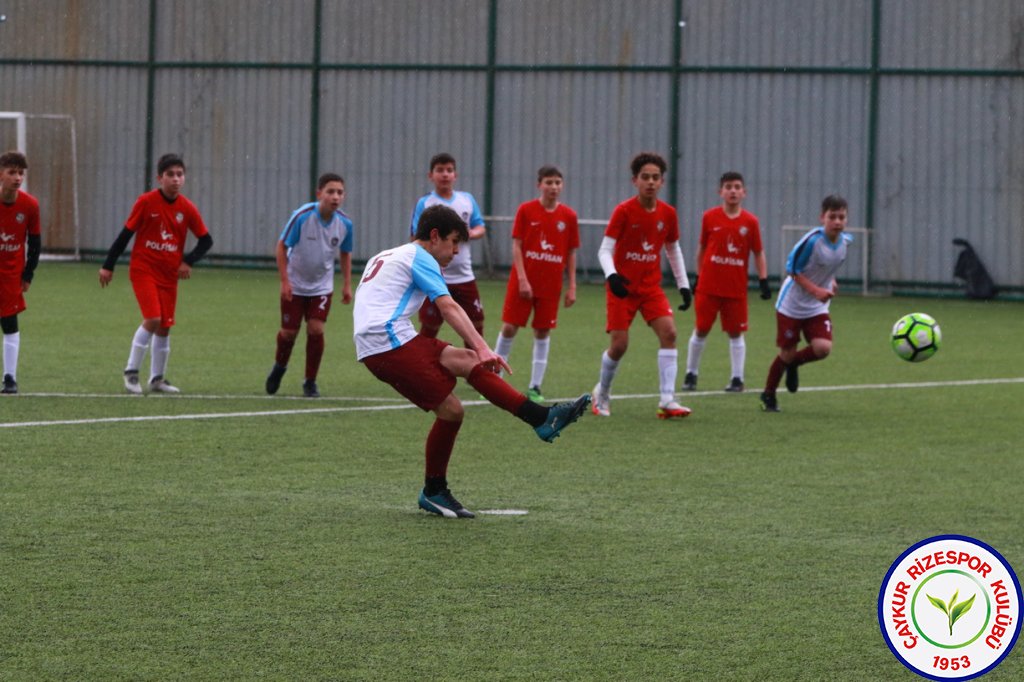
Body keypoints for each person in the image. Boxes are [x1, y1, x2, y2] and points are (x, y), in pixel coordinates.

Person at [354, 204, 590, 519]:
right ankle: (434, 490)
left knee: (465, 360)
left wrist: (475, 352)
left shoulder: (390, 254)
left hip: (387, 337)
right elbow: (448, 307)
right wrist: (483, 347)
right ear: (434, 236)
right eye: (453, 242)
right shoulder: (421, 257)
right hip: (386, 342)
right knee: (452, 410)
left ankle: (542, 418)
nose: (455, 251)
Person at [99, 153, 213, 395]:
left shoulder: (187, 208)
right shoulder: (146, 202)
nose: (175, 179)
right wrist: (108, 265)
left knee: (165, 326)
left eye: (179, 174)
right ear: (159, 178)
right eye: (170, 175)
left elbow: (206, 241)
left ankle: (157, 379)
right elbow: (125, 235)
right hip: (144, 271)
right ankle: (131, 373)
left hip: (168, 275)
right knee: (152, 319)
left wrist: (188, 261)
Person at [592, 152, 693, 420]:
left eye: (655, 177)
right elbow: (604, 250)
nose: (650, 182)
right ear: (635, 181)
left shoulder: (668, 214)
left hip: (650, 288)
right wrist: (612, 276)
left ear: (662, 182)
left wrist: (684, 284)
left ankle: (667, 400)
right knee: (620, 345)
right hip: (622, 287)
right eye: (645, 177)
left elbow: (673, 249)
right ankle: (601, 393)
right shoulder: (624, 211)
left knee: (669, 333)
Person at [493, 165, 579, 402]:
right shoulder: (526, 210)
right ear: (539, 184)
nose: (553, 187)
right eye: (549, 182)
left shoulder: (569, 216)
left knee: (542, 331)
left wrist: (572, 286)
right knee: (510, 327)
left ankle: (535, 387)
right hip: (523, 282)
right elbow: (517, 245)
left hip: (550, 286)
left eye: (557, 183)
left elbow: (571, 252)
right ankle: (494, 381)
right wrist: (522, 278)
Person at [759, 195, 853, 412]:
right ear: (822, 217)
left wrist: (831, 281)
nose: (837, 221)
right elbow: (792, 270)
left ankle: (794, 364)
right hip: (791, 305)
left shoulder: (845, 242)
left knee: (823, 348)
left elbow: (825, 267)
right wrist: (816, 290)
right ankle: (768, 395)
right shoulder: (811, 241)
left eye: (842, 217)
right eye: (833, 217)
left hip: (816, 306)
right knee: (786, 353)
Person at [265, 172, 354, 398]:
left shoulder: (345, 223)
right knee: (288, 333)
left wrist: (346, 284)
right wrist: (285, 281)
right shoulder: (302, 217)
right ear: (319, 194)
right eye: (330, 192)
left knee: (316, 329)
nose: (335, 197)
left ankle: (310, 381)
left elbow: (345, 253)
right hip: (295, 284)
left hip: (322, 287)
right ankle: (279, 367)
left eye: (340, 193)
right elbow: (281, 247)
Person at [683, 171, 770, 393]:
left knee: (735, 333)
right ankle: (691, 374)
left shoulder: (750, 222)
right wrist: (698, 276)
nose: (733, 190)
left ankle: (737, 379)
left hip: (735, 288)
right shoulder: (710, 217)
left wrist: (763, 280)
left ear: (744, 192)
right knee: (701, 329)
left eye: (737, 187)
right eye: (728, 187)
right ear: (720, 192)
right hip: (709, 287)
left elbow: (758, 252)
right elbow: (702, 248)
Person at [409, 152, 487, 340]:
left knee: (475, 326)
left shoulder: (466, 199)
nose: (445, 174)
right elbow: (415, 237)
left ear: (455, 175)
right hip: (434, 274)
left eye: (449, 170)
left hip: (464, 275)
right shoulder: (425, 203)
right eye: (440, 170)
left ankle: (478, 366)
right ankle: (423, 366)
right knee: (430, 327)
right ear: (431, 175)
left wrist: (468, 234)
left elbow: (480, 227)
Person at [0, 151, 41, 395]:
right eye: (12, 172)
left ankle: (10, 378)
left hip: (11, 274)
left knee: (9, 323)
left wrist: (28, 275)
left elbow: (35, 243)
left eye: (21, 173)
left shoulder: (29, 205)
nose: (17, 178)